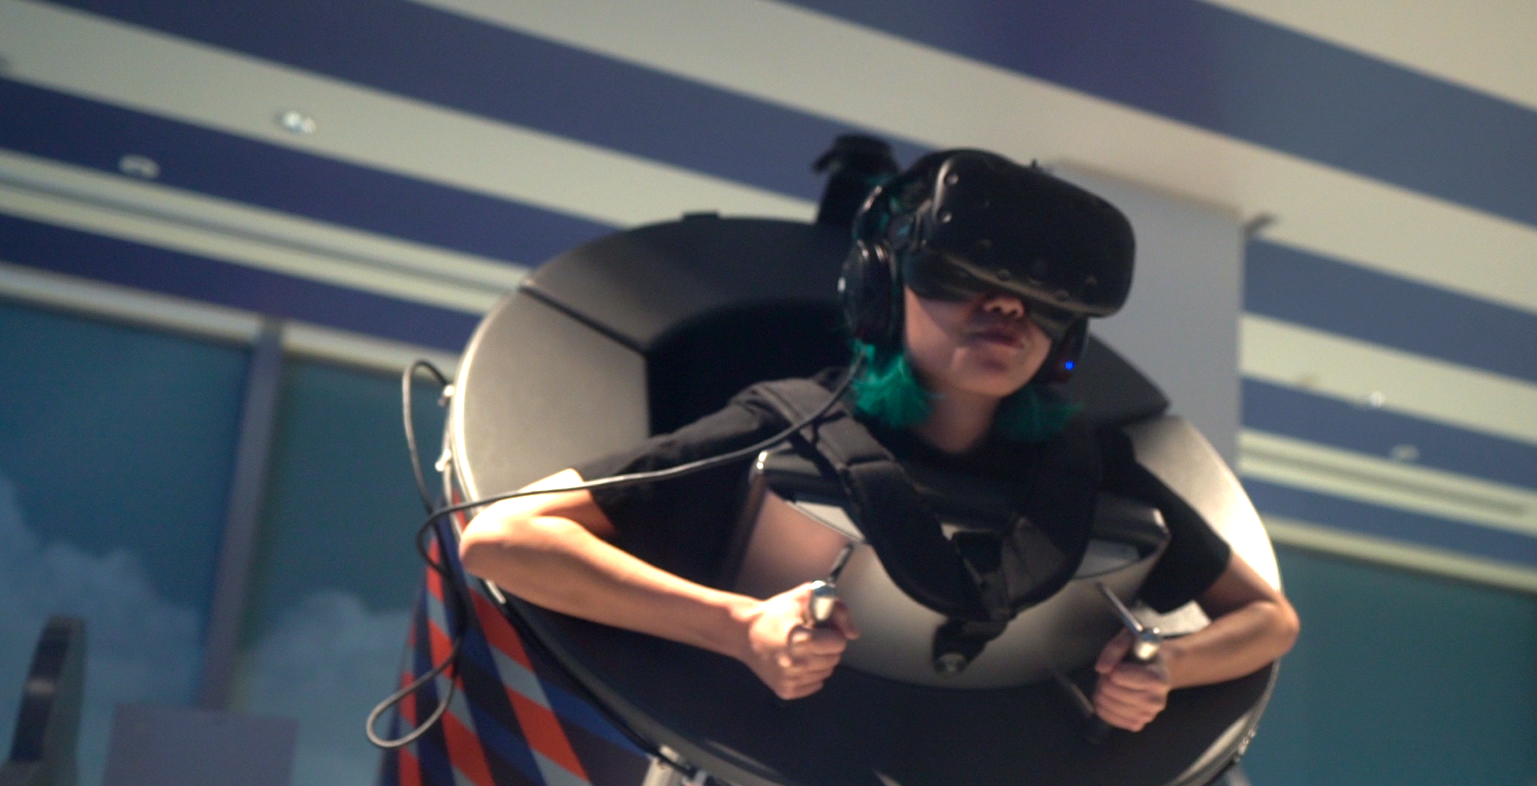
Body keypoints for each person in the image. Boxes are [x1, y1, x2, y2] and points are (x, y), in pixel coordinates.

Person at [460, 150, 1298, 732]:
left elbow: (1269, 619)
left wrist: (1168, 668)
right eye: (966, 278)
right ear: (881, 290)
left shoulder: (1088, 467)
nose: (1006, 312)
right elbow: (504, 538)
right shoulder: (788, 423)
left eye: (1041, 301)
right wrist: (739, 627)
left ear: (1066, 337)